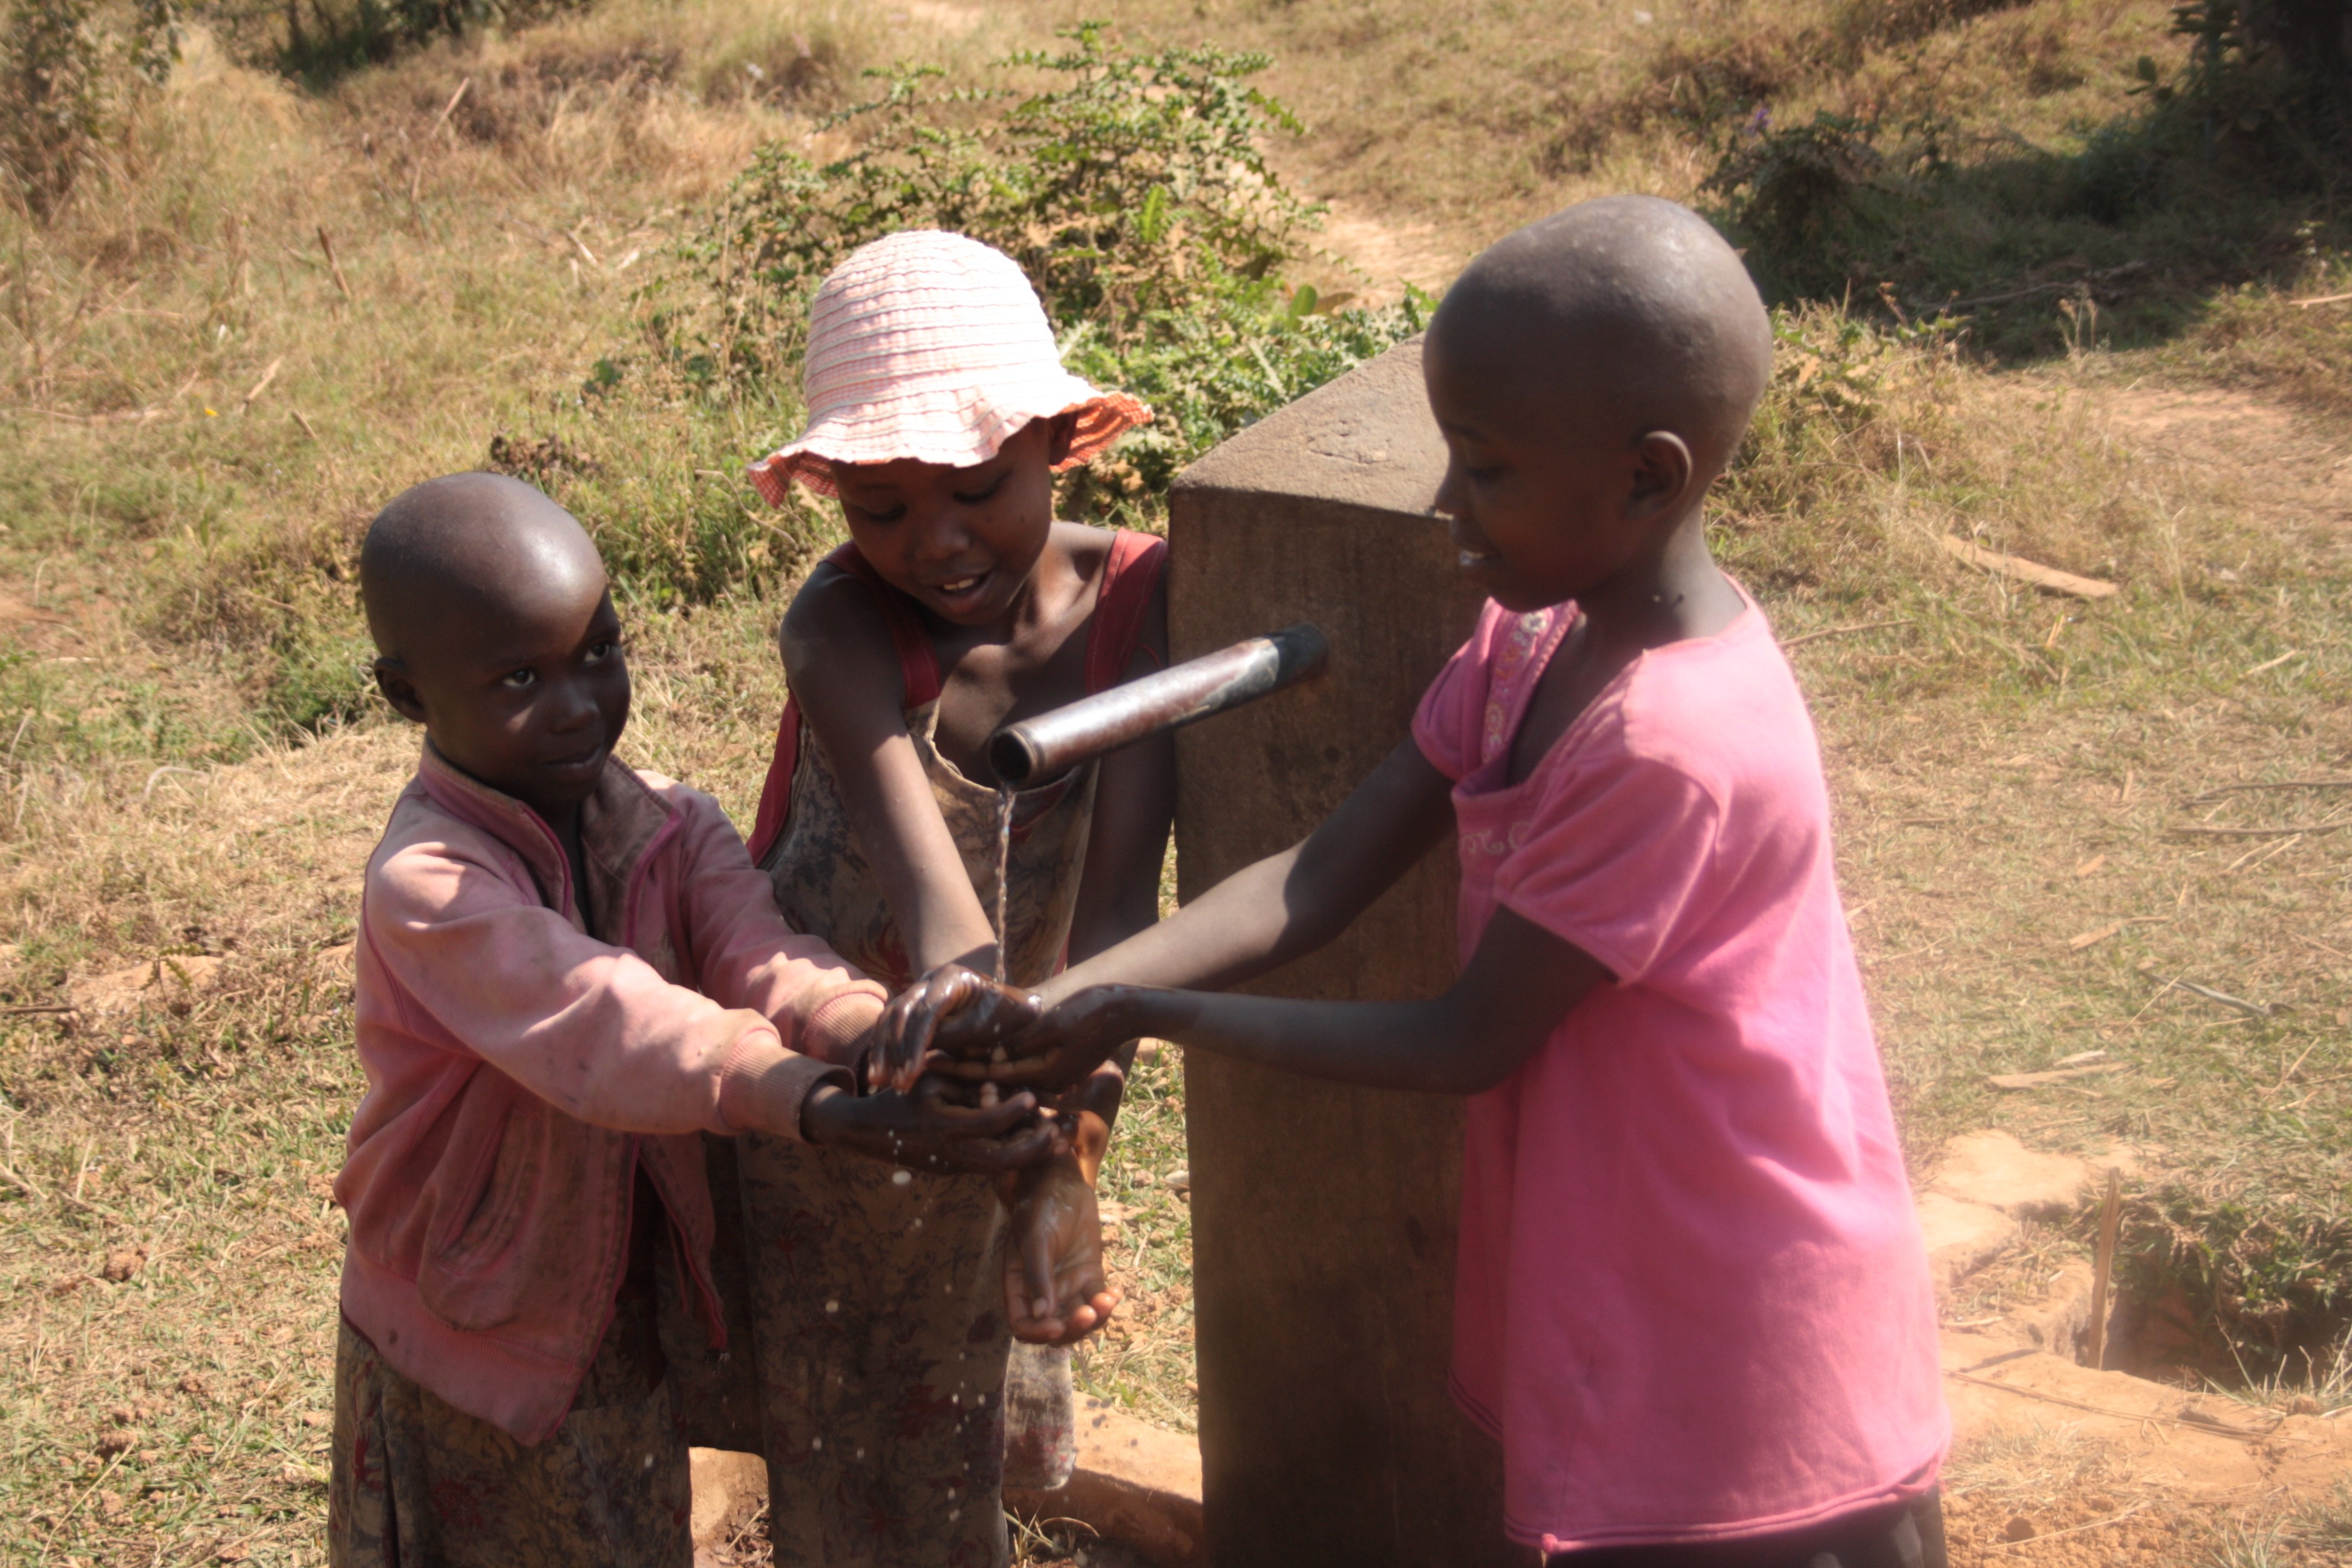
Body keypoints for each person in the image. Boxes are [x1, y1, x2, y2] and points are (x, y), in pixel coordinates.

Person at [892, 197, 1952, 1567]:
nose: (1448, 502)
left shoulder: (1671, 745)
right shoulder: (1532, 646)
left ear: (1646, 480)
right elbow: (1316, 877)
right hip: (1639, 1261)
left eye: (1486, 469)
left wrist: (1147, 1014)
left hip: (1751, 1315)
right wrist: (1060, 1001)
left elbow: (1465, 1042)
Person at [328, 472, 1057, 1568]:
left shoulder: (669, 823)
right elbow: (604, 1022)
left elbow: (758, 951)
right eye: (521, 678)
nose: (579, 703)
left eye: (599, 652)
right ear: (406, 694)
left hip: (619, 1290)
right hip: (469, 1307)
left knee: (629, 1527)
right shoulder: (430, 885)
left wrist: (874, 1032)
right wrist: (813, 1102)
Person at [733, 229, 1174, 1566]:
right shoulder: (840, 626)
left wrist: (1067, 1158)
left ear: (1057, 442)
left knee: (970, 1359)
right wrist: (1029, 1139)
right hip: (852, 1051)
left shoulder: (1143, 602)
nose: (935, 541)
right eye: (880, 509)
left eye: (979, 487)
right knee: (848, 1391)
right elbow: (946, 930)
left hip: (1024, 1057)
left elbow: (1117, 918)